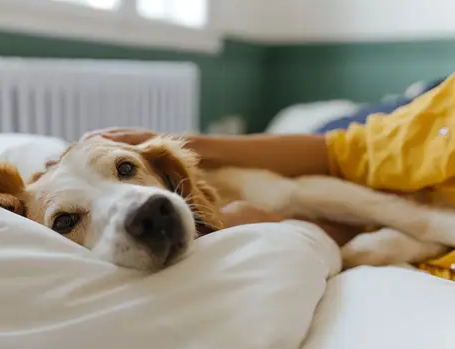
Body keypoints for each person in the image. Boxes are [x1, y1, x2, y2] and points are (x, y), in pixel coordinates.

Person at [85, 74, 455, 279]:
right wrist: (180, 144)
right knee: (342, 132)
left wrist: (281, 226)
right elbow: (340, 151)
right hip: (371, 137)